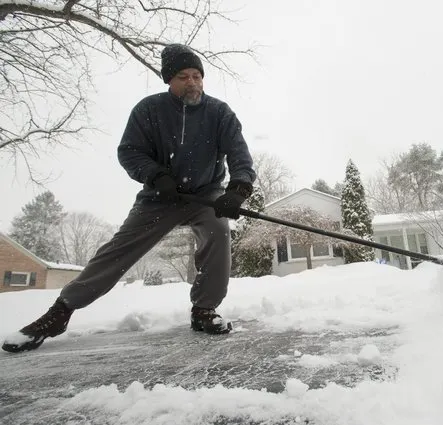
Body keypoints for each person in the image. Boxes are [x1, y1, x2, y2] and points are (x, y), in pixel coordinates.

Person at [2, 44, 257, 353]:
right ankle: (60, 311)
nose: (191, 82)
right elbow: (130, 151)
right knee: (118, 250)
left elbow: (239, 153)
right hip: (160, 196)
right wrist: (155, 175)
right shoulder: (149, 110)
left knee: (218, 231)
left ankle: (204, 309)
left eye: (196, 76)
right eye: (182, 76)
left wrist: (238, 188)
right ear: (168, 80)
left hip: (206, 193)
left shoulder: (219, 112)